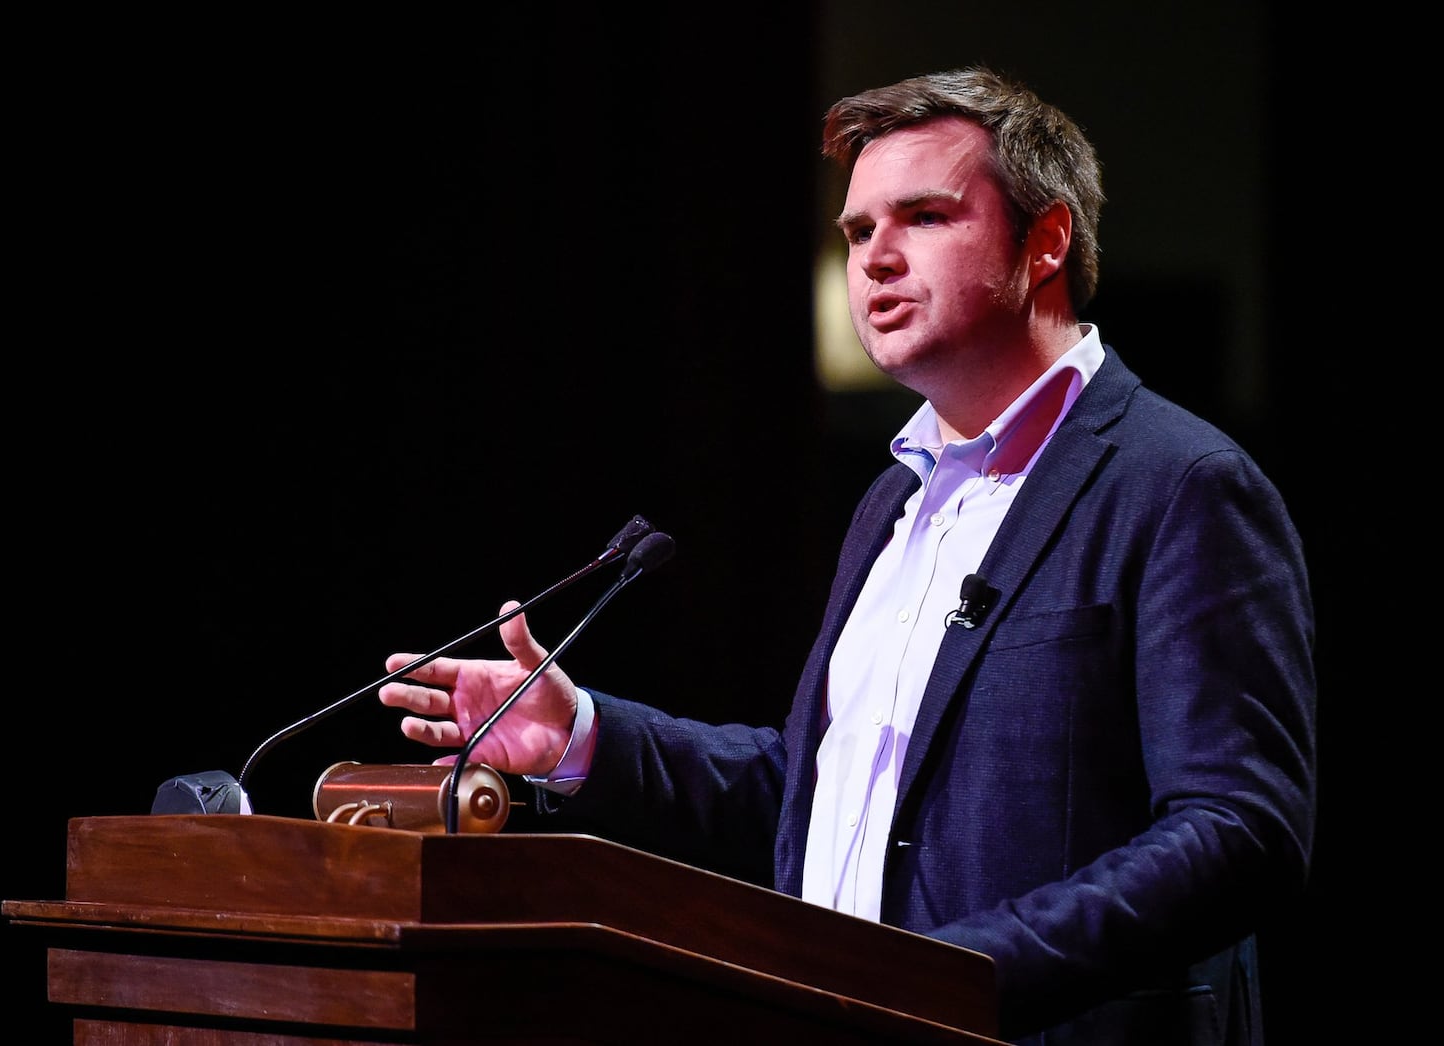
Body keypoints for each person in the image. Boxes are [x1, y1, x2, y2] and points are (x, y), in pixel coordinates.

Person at [377, 66, 1315, 1046]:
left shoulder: (1180, 485)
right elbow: (821, 787)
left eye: (921, 217)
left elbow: (1239, 829)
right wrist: (586, 735)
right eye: (859, 230)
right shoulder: (893, 500)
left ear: (1045, 242)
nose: (874, 258)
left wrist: (955, 980)